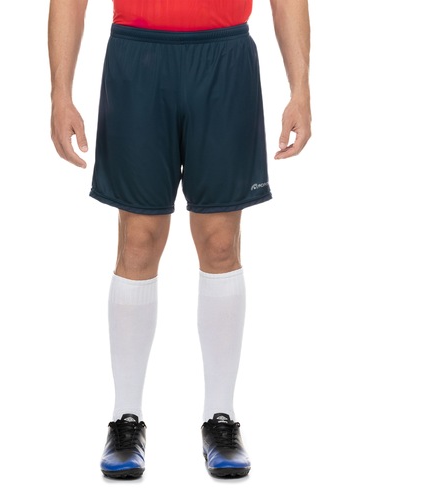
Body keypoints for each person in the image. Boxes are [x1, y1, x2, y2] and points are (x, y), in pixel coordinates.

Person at [49, 0, 311, 479]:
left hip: (225, 58)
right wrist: (60, 94)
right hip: (138, 56)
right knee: (138, 240)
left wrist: (301, 88)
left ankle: (221, 419)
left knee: (220, 243)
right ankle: (125, 420)